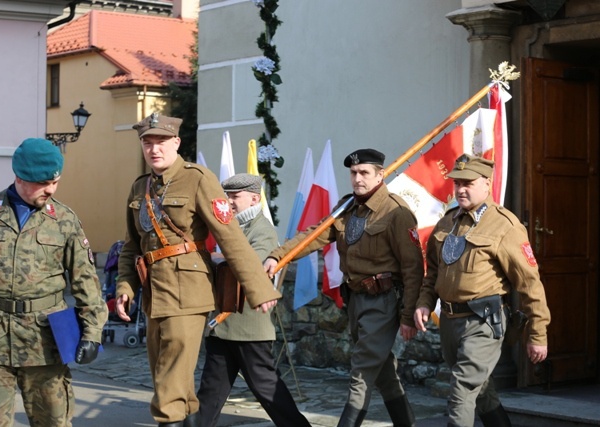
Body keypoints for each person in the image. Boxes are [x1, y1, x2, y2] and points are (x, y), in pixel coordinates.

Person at [114, 113, 282, 427]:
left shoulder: (199, 178)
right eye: (147, 142)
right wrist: (125, 287)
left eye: (161, 141)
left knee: (169, 385)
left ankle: (169, 420)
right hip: (154, 294)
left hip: (189, 292)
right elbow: (132, 246)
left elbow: (230, 238)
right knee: (169, 380)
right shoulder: (140, 188)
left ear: (176, 142)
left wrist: (258, 289)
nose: (154, 149)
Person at [263, 148, 423, 427]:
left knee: (361, 371)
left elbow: (413, 268)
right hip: (356, 300)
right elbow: (313, 236)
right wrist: (278, 255)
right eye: (353, 173)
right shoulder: (347, 207)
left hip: (384, 301)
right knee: (383, 371)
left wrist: (408, 315)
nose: (357, 178)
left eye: (364, 173)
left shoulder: (397, 213)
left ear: (380, 175)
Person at [0, 138, 108, 426]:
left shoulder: (64, 221)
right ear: (19, 177)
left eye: (55, 182)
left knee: (53, 422)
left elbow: (86, 282)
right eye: (43, 183)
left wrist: (92, 333)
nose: (50, 190)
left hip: (44, 342)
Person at [414, 153, 551, 427]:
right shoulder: (447, 222)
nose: (461, 189)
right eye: (457, 183)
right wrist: (424, 302)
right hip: (450, 323)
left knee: (461, 392)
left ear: (487, 183)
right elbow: (434, 272)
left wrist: (538, 334)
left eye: (468, 183)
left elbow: (530, 284)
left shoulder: (505, 225)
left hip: (483, 322)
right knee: (481, 391)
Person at [197, 173, 311, 427]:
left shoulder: (262, 229)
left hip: (249, 328)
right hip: (224, 324)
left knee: (269, 391)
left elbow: (252, 265)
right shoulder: (233, 226)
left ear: (253, 198)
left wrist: (215, 258)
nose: (229, 201)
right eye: (227, 196)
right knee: (210, 393)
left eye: (235, 196)